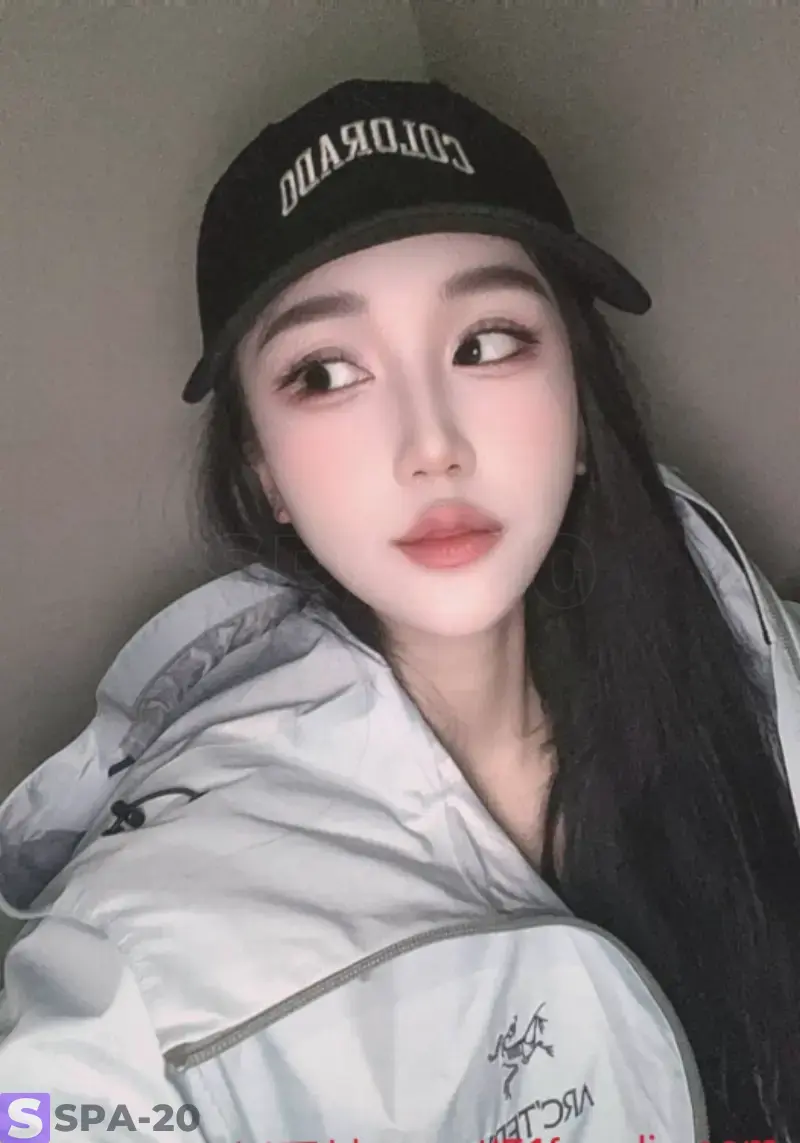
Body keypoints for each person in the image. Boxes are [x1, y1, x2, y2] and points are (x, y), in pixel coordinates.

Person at [0, 76, 798, 1143]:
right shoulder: (144, 957)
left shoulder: (749, 672)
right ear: (264, 474)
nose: (431, 445)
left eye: (487, 342)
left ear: (578, 402)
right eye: (326, 372)